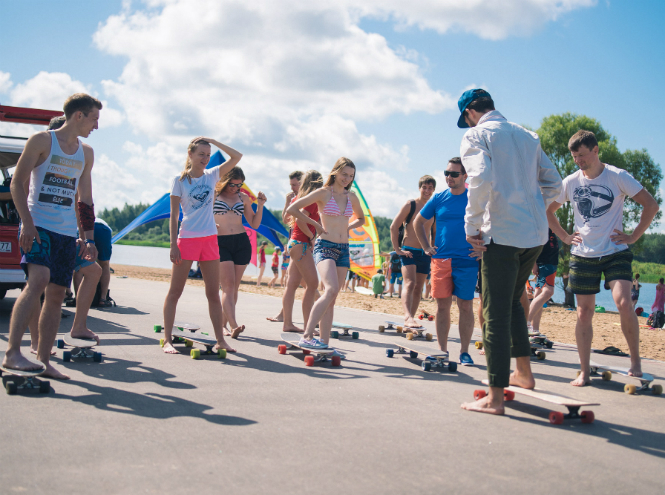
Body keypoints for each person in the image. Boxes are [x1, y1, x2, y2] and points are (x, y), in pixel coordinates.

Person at [454, 89, 563, 415]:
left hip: (500, 235)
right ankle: (524, 374)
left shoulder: (476, 135)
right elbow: (555, 183)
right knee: (514, 302)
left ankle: (496, 397)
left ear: (472, 111)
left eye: (466, 117)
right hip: (534, 236)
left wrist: (472, 225)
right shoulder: (527, 135)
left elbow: (480, 177)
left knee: (493, 314)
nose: (467, 122)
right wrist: (530, 205)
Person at [546, 129, 659, 386]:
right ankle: (584, 372)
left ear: (596, 150)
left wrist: (633, 236)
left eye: (583, 156)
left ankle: (635, 363)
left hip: (615, 251)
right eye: (575, 157)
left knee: (623, 302)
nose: (579, 161)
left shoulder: (618, 176)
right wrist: (564, 236)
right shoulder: (571, 182)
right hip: (582, 255)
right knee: (584, 312)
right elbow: (548, 211)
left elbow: (651, 205)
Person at [2, 93, 102, 378]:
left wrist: (89, 238)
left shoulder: (87, 153)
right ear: (78, 115)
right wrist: (27, 223)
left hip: (66, 232)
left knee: (57, 294)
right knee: (38, 281)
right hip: (38, 225)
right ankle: (12, 353)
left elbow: (85, 199)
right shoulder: (42, 141)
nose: (96, 125)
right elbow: (17, 185)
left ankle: (44, 362)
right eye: (94, 118)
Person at [161, 137, 242, 354]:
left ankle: (220, 340)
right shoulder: (179, 180)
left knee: (213, 294)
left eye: (208, 154)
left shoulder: (212, 175)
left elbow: (237, 157)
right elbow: (174, 215)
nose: (205, 159)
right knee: (175, 292)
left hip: (209, 240)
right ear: (190, 154)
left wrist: (215, 141)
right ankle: (167, 339)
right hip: (186, 239)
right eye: (201, 154)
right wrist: (172, 244)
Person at [287, 157, 365, 349]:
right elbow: (293, 209)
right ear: (335, 172)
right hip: (325, 246)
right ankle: (307, 335)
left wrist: (347, 229)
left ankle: (323, 342)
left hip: (343, 249)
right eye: (344, 174)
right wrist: (315, 225)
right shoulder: (323, 193)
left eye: (351, 176)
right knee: (329, 290)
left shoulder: (351, 196)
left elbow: (361, 219)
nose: (347, 178)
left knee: (332, 298)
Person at [414, 158, 476, 366]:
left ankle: (465, 352)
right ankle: (442, 351)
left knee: (465, 306)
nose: (449, 177)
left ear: (465, 176)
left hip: (467, 260)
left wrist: (484, 249)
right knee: (442, 307)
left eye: (454, 174)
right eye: (446, 173)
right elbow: (418, 222)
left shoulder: (474, 198)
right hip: (441, 260)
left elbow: (490, 222)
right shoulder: (439, 198)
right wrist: (425, 247)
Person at [213, 166, 266, 339]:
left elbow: (254, 224)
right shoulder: (214, 195)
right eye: (232, 184)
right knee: (227, 287)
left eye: (239, 185)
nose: (235, 188)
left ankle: (223, 326)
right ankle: (234, 325)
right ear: (225, 181)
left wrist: (261, 205)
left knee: (234, 288)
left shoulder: (243, 197)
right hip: (220, 243)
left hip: (241, 242)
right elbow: (202, 216)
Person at [279, 170, 324, 332]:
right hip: (301, 244)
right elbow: (299, 219)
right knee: (312, 284)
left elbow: (289, 219)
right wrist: (312, 236)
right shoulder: (311, 200)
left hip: (294, 243)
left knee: (291, 284)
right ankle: (308, 327)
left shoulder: (300, 198)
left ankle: (288, 324)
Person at [390, 175, 436, 328]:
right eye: (424, 187)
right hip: (408, 251)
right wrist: (397, 249)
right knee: (410, 283)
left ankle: (412, 319)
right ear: (419, 188)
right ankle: (407, 316)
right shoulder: (411, 204)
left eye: (430, 188)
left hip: (425, 253)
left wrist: (433, 250)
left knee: (418, 288)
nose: (427, 191)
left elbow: (434, 233)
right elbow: (394, 226)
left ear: (433, 190)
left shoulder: (433, 208)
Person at [527, 228, 559, 335]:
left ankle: (535, 330)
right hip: (545, 262)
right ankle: (525, 323)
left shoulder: (551, 219)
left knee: (539, 294)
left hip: (551, 261)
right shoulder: (541, 215)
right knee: (548, 292)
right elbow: (533, 240)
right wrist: (534, 263)